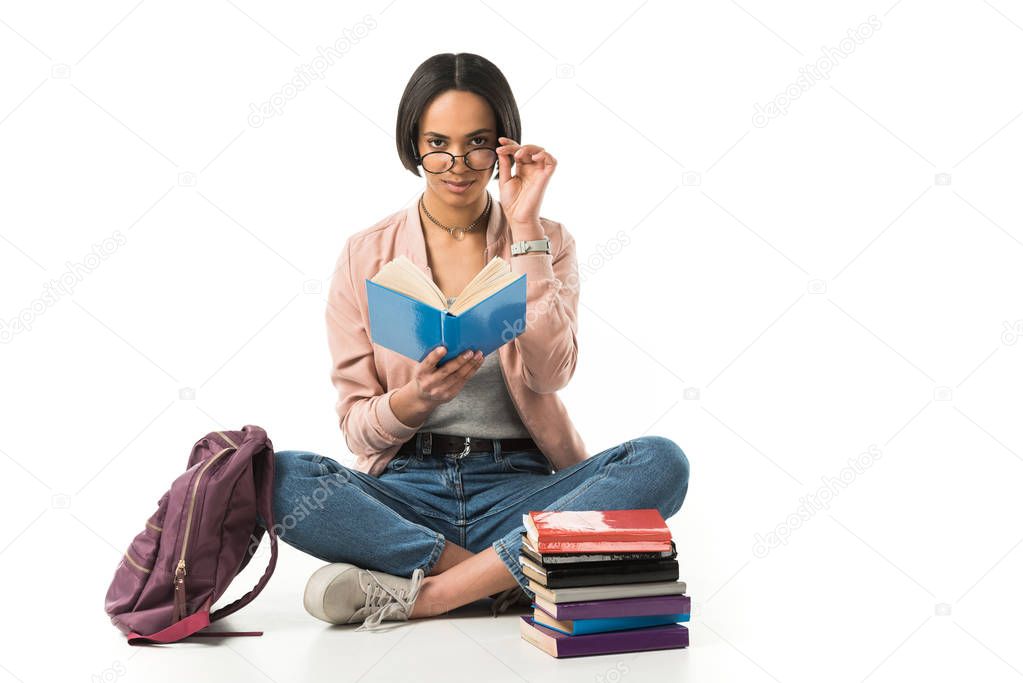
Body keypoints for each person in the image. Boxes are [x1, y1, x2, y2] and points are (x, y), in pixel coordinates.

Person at [256, 52, 690, 633]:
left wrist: (527, 228)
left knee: (661, 461)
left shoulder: (548, 240)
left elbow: (552, 373)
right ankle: (511, 579)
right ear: (413, 145)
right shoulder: (366, 253)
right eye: (438, 143)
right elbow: (357, 425)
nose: (457, 164)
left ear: (503, 147)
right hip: (407, 494)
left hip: (526, 494)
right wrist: (417, 397)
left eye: (477, 143)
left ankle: (431, 596)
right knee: (281, 476)